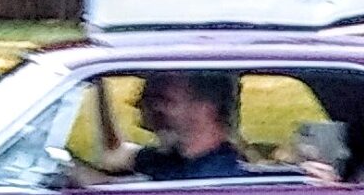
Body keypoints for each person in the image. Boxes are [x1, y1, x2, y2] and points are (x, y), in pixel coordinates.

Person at [82, 70, 252, 182]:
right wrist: (99, 85)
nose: (144, 110)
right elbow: (114, 155)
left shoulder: (218, 178)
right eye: (147, 101)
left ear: (205, 108)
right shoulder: (167, 160)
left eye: (162, 100)